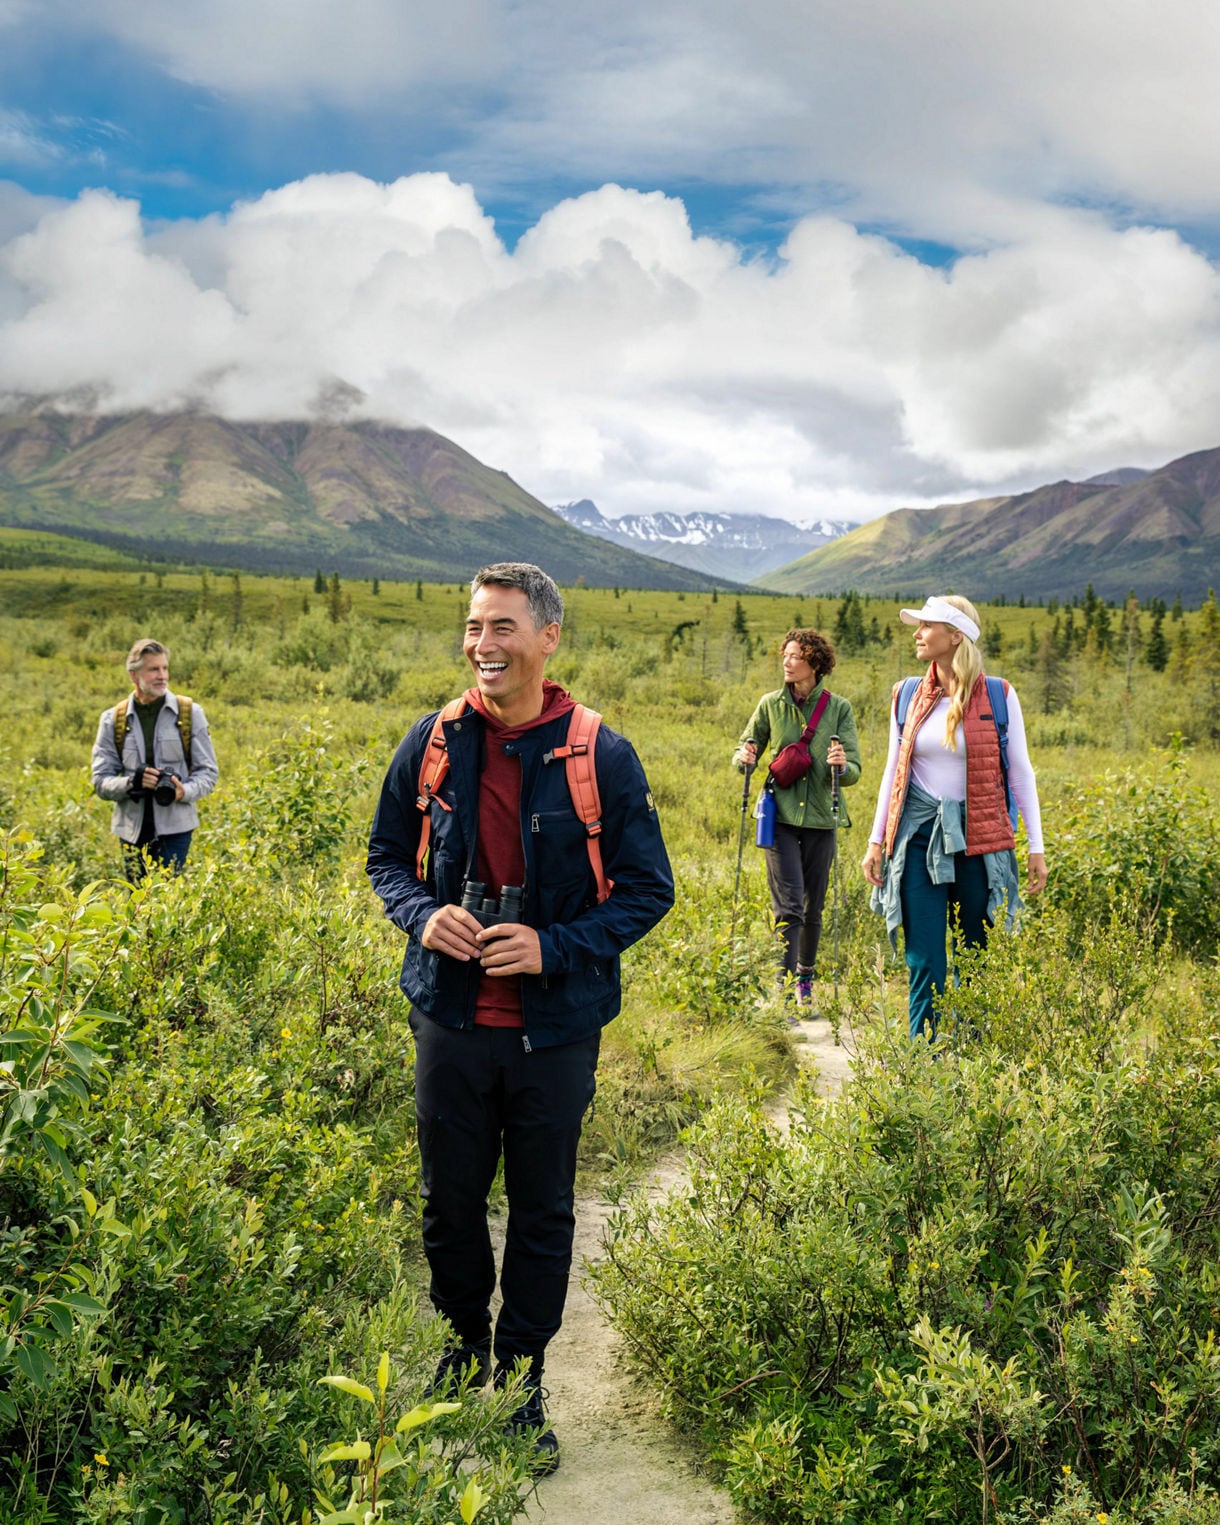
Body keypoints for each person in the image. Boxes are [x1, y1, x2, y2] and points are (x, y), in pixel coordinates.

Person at [366, 562, 673, 1474]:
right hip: (451, 1019)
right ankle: (462, 1355)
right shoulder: (431, 740)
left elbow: (651, 890)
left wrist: (552, 946)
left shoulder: (599, 754)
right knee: (448, 1203)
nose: (482, 645)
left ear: (547, 638)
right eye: (473, 627)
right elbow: (386, 857)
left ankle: (522, 1380)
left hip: (554, 1030)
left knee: (541, 1209)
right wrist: (425, 915)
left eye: (501, 627)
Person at [861, 595, 1047, 1041]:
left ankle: (971, 1059)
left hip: (979, 841)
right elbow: (894, 768)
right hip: (919, 839)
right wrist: (875, 839)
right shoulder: (906, 693)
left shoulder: (999, 695)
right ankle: (922, 1065)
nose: (917, 634)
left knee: (975, 953)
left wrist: (1036, 847)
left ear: (955, 635)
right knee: (925, 959)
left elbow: (1020, 771)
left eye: (927, 626)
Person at [735, 627, 861, 1012]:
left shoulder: (839, 709)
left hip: (823, 818)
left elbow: (854, 769)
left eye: (795, 656)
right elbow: (745, 746)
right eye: (785, 655)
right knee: (788, 907)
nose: (787, 662)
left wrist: (843, 765)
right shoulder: (770, 704)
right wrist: (744, 757)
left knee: (812, 908)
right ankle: (785, 992)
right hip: (781, 818)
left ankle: (806, 978)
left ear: (814, 663)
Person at [91, 638, 219, 882]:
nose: (162, 676)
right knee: (137, 901)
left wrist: (183, 792)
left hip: (176, 829)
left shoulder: (190, 713)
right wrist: (132, 783)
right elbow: (100, 781)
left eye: (165, 668)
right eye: (153, 669)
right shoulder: (112, 719)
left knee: (167, 901)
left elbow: (208, 773)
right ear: (133, 675)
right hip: (131, 830)